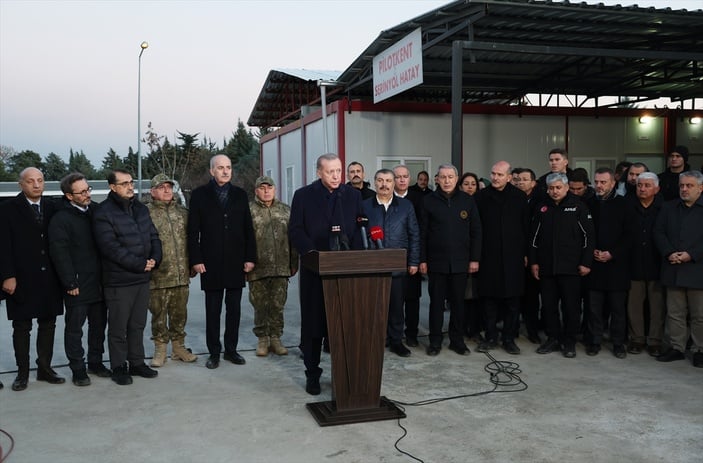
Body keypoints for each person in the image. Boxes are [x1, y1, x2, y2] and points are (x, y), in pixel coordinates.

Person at [289, 153, 364, 395]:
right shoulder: (303, 195)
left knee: (342, 325)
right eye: (330, 171)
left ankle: (344, 374)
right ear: (319, 172)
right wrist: (311, 253)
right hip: (315, 270)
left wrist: (358, 258)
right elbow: (295, 230)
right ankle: (312, 373)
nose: (336, 176)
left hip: (345, 271)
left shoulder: (352, 195)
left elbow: (360, 227)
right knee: (313, 324)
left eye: (338, 171)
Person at [92, 168, 162, 385]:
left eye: (131, 182)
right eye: (124, 183)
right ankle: (119, 366)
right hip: (119, 281)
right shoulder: (103, 212)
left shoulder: (140, 208)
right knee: (119, 328)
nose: (130, 186)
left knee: (137, 324)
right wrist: (140, 264)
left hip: (142, 278)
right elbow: (110, 248)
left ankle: (137, 362)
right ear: (112, 187)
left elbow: (153, 236)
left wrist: (154, 259)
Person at [188, 154, 257, 369]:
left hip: (236, 261)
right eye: (220, 168)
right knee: (213, 310)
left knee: (234, 309)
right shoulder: (200, 195)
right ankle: (214, 352)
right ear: (211, 171)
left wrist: (250, 257)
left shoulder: (239, 195)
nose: (225, 171)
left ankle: (231, 350)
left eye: (228, 167)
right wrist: (196, 259)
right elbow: (192, 232)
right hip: (211, 262)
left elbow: (248, 229)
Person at [0, 167, 65, 391]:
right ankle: (22, 373)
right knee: (22, 326)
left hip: (49, 279)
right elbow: (3, 247)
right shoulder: (7, 210)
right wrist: (7, 276)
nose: (36, 185)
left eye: (40, 180)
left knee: (48, 324)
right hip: (21, 279)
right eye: (30, 181)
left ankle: (45, 368)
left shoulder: (54, 206)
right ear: (21, 184)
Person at [49, 173, 110, 387]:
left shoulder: (96, 212)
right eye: (82, 192)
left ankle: (96, 362)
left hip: (100, 282)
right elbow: (59, 253)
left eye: (88, 189)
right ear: (68, 195)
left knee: (98, 326)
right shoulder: (61, 219)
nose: (87, 195)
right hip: (77, 284)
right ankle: (78, 368)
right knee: (75, 329)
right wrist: (70, 282)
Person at [529, 173, 594, 358]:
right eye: (551, 188)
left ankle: (569, 341)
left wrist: (586, 262)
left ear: (566, 187)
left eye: (558, 187)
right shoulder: (541, 207)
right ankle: (553, 338)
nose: (554, 191)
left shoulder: (579, 206)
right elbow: (533, 238)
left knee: (571, 307)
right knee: (548, 306)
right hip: (547, 268)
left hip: (571, 269)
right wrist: (534, 262)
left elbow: (589, 237)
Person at [420, 164, 482, 356]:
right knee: (436, 304)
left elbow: (476, 232)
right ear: (437, 179)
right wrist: (422, 259)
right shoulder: (428, 201)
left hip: (461, 262)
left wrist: (474, 259)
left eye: (450, 177)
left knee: (458, 304)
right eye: (443, 177)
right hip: (436, 262)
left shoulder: (467, 201)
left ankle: (457, 341)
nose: (446, 181)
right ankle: (435, 341)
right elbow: (422, 234)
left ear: (456, 179)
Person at [363, 168, 420, 357]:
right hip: (372, 265)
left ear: (394, 183)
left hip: (398, 265)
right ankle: (376, 340)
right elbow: (358, 234)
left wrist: (413, 261)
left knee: (396, 306)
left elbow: (414, 234)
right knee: (375, 305)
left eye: (388, 180)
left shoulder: (406, 206)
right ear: (375, 182)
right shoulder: (365, 206)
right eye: (380, 180)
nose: (384, 184)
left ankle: (396, 341)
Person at [474, 161, 529, 355]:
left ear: (509, 177)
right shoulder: (481, 197)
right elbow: (476, 229)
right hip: (488, 257)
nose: (495, 178)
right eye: (493, 174)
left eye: (499, 174)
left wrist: (525, 254)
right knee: (489, 300)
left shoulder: (520, 198)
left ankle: (508, 339)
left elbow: (526, 228)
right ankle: (490, 337)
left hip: (513, 258)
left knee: (512, 302)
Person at [145, 174, 197, 367]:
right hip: (158, 275)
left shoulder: (183, 212)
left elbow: (192, 240)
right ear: (153, 191)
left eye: (169, 187)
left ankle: (178, 347)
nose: (167, 190)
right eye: (162, 187)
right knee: (158, 314)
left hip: (181, 274)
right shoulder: (145, 213)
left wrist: (193, 263)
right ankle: (160, 349)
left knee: (179, 313)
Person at [653, 170, 703, 368]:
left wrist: (692, 254)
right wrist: (669, 252)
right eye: (682, 185)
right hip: (673, 266)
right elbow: (658, 232)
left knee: (699, 314)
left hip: (698, 269)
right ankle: (677, 347)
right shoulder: (669, 207)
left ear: (701, 188)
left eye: (689, 186)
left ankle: (700, 349)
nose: (684, 189)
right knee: (675, 312)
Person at [248, 175, 298, 357]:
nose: (266, 191)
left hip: (281, 267)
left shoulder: (286, 210)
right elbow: (243, 239)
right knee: (260, 305)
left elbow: (293, 238)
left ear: (275, 189)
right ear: (256, 191)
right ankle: (262, 339)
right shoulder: (248, 211)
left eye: (269, 187)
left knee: (277, 304)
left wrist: (294, 262)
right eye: (262, 188)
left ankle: (276, 338)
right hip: (257, 268)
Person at [584, 168, 630, 359]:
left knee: (618, 309)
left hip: (616, 266)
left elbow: (630, 236)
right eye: (597, 182)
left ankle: (618, 343)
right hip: (594, 264)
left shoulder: (624, 205)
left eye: (603, 182)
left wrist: (612, 254)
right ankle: (594, 341)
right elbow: (584, 232)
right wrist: (591, 251)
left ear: (613, 183)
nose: (599, 186)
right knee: (594, 308)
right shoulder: (588, 203)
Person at [625, 172, 665, 356]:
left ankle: (655, 341)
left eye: (647, 185)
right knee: (634, 305)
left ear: (656, 189)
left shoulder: (664, 208)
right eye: (640, 185)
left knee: (657, 307)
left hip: (657, 264)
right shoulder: (627, 206)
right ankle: (637, 339)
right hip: (633, 263)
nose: (642, 188)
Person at [511, 167, 545, 344]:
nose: (520, 182)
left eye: (524, 179)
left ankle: (532, 330)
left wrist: (530, 255)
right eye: (517, 180)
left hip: (534, 254)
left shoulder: (541, 202)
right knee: (514, 295)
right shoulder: (512, 199)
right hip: (514, 255)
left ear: (533, 183)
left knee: (532, 297)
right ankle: (513, 328)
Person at [393, 164, 425, 347]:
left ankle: (411, 334)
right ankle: (392, 334)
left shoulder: (419, 198)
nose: (402, 180)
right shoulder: (386, 198)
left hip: (413, 255)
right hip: (393, 257)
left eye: (405, 176)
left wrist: (418, 258)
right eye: (398, 177)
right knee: (394, 299)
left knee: (412, 299)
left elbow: (421, 231)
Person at [459, 172, 483, 342]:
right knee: (463, 295)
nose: (469, 187)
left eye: (473, 184)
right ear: (460, 186)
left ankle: (475, 328)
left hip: (480, 255)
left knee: (477, 295)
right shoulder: (458, 202)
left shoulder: (482, 202)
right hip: (461, 256)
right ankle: (461, 327)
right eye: (466, 184)